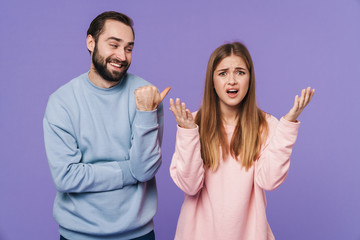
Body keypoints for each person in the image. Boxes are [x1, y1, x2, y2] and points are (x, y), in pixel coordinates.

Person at [43, 11, 170, 240]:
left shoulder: (147, 96)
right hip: (77, 235)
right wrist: (126, 170)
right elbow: (67, 177)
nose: (122, 56)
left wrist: (146, 113)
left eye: (129, 48)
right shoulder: (62, 102)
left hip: (138, 234)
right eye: (114, 45)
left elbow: (144, 170)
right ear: (90, 42)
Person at [169, 42, 314, 240]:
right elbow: (190, 185)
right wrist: (188, 133)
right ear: (212, 81)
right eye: (222, 73)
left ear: (250, 78)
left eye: (240, 72)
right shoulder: (193, 123)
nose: (232, 81)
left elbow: (269, 181)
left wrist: (287, 125)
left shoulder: (266, 125)